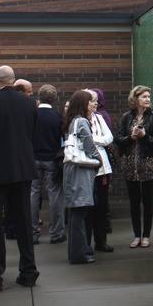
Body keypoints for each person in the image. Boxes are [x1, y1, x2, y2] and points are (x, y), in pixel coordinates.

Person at [0, 65, 39, 291]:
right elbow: (31, 133)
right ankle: (28, 272)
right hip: (23, 169)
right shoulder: (29, 104)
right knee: (24, 222)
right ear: (14, 80)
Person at [115, 86, 153, 248]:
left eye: (149, 96)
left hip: (148, 164)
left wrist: (145, 136)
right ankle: (137, 235)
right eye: (144, 96)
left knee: (148, 200)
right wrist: (131, 137)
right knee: (134, 201)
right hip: (130, 164)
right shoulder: (126, 118)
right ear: (135, 99)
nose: (148, 99)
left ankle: (146, 236)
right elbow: (119, 139)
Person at [62, 90, 101, 264]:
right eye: (90, 102)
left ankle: (76, 252)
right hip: (81, 170)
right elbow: (89, 145)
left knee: (75, 212)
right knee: (80, 211)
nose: (93, 105)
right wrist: (98, 161)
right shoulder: (82, 122)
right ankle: (80, 253)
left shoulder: (71, 121)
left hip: (71, 169)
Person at [30, 84, 66, 245]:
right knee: (55, 196)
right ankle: (56, 234)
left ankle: (32, 233)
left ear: (39, 97)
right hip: (52, 159)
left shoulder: (31, 115)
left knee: (32, 195)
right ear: (55, 99)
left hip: (33, 159)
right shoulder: (58, 117)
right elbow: (64, 140)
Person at [87, 89, 114, 252]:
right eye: (92, 100)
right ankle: (85, 243)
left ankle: (101, 241)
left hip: (103, 169)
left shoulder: (99, 118)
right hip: (86, 170)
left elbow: (109, 138)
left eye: (97, 100)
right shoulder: (78, 120)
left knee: (101, 207)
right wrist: (99, 141)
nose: (96, 103)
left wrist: (91, 139)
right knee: (88, 208)